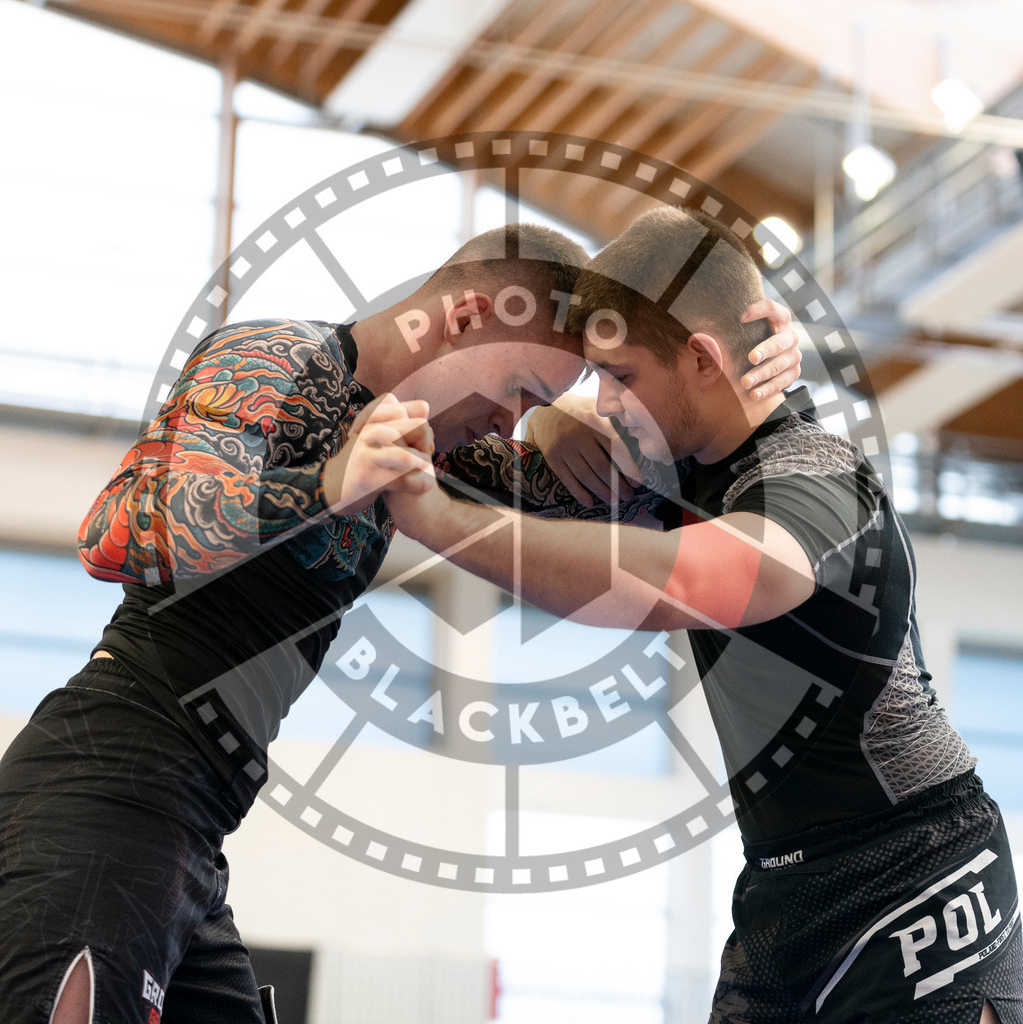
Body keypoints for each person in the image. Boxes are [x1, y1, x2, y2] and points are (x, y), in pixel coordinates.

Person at [0, 221, 801, 1024]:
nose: (511, 423)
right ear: (462, 319)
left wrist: (750, 363)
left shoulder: (432, 449)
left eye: (537, 407)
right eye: (521, 388)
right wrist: (323, 486)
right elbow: (114, 530)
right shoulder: (283, 360)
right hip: (110, 780)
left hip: (194, 827)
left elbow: (656, 504)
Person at [381, 207, 1023, 1024]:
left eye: (620, 377)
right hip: (781, 893)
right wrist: (543, 414)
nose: (602, 403)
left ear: (704, 360)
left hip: (916, 870)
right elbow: (468, 449)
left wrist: (440, 524)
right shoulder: (672, 469)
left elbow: (701, 580)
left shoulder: (820, 483)